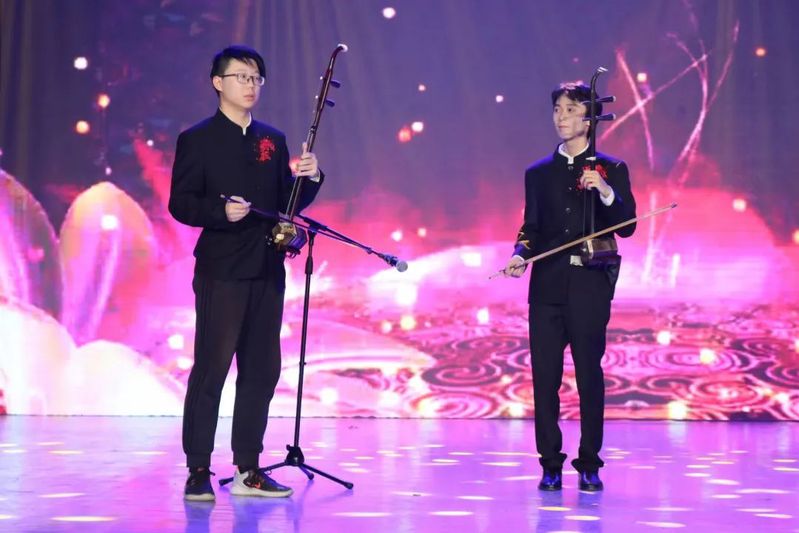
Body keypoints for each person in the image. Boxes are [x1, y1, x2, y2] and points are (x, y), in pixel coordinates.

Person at [169, 45, 323, 501]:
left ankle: (248, 468)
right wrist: (220, 212)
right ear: (218, 83)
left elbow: (285, 204)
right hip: (221, 269)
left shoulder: (272, 139)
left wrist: (309, 178)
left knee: (261, 370)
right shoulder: (197, 139)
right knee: (212, 368)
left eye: (256, 78)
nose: (250, 85)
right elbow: (181, 203)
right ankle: (198, 468)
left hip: (267, 266)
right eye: (241, 77)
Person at [504, 82, 636, 492]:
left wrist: (605, 191)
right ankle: (550, 463)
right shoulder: (538, 173)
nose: (561, 117)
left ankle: (590, 462)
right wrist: (520, 255)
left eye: (571, 109)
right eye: (557, 109)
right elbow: (531, 227)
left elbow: (628, 226)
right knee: (545, 378)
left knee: (588, 376)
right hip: (546, 288)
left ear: (590, 118)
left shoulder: (612, 168)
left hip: (589, 287)